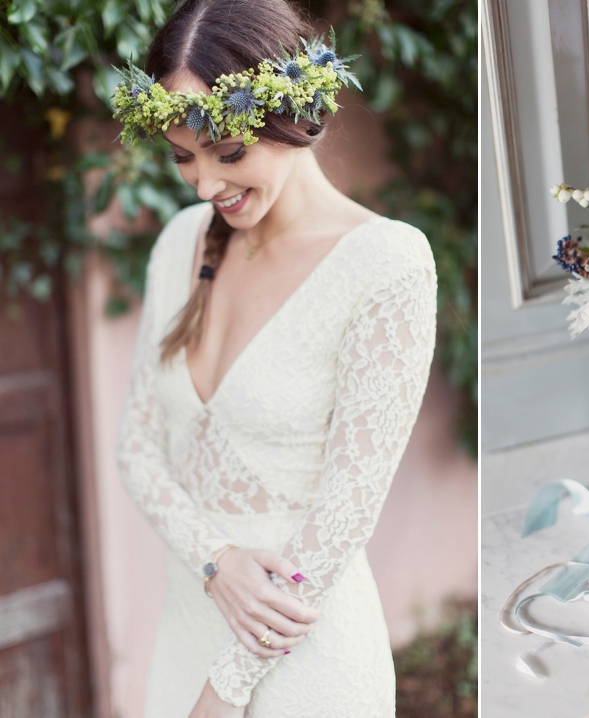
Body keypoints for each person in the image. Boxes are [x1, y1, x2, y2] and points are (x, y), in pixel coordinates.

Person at [113, 0, 437, 715]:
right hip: (187, 631)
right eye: (183, 157)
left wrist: (224, 692)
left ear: (295, 115)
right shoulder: (178, 244)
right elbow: (137, 447)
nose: (204, 185)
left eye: (228, 154)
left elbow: (345, 514)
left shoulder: (386, 264)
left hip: (304, 660)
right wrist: (215, 561)